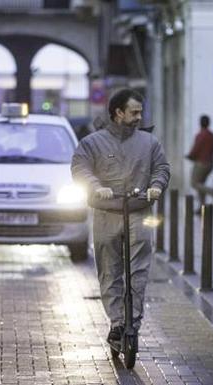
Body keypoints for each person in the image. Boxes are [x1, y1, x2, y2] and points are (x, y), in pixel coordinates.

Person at [71, 88, 170, 343]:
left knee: (138, 269)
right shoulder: (92, 142)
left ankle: (132, 322)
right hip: (106, 213)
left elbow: (161, 166)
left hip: (140, 211)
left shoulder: (149, 143)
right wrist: (96, 187)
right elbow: (80, 168)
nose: (139, 117)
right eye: (134, 112)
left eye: (140, 112)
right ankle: (116, 321)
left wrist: (157, 185)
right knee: (109, 269)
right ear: (118, 113)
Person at [186, 114, 213, 211]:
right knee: (201, 184)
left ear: (200, 123)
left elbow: (196, 149)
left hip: (201, 163)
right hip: (210, 163)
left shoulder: (200, 135)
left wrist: (190, 156)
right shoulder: (212, 135)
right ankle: (202, 208)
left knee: (194, 183)